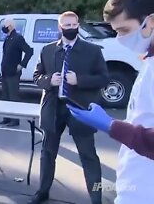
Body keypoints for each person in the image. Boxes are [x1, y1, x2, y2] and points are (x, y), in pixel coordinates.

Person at [67, 0, 154, 203]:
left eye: (124, 30)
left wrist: (112, 126)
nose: (119, 38)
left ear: (150, 22)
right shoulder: (148, 61)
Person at [29, 11, 109, 204]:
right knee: (47, 153)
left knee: (88, 155)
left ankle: (96, 198)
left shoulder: (93, 51)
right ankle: (43, 191)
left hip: (80, 109)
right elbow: (36, 76)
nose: (71, 29)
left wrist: (79, 80)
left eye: (74, 25)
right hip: (54, 108)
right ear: (60, 27)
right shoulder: (47, 50)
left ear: (78, 26)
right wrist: (49, 80)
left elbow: (104, 78)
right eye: (67, 26)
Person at [0, 18, 33, 127]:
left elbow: (29, 51)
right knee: (5, 96)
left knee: (13, 97)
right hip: (5, 71)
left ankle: (15, 119)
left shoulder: (18, 38)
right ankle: (6, 118)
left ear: (11, 26)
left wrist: (22, 65)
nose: (4, 27)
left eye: (6, 25)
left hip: (13, 72)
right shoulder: (8, 38)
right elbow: (6, 56)